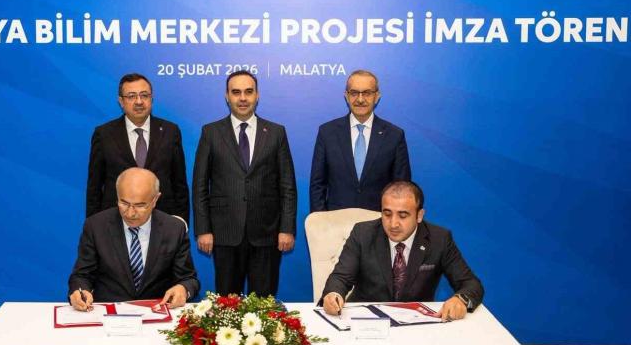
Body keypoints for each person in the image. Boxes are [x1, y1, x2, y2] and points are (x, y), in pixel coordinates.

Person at [192, 70, 297, 297]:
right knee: (228, 304)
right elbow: (200, 185)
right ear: (227, 96)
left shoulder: (276, 132)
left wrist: (287, 229)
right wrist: (203, 229)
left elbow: (287, 185)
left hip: (267, 234)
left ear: (257, 95)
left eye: (248, 92)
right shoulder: (211, 132)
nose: (242, 98)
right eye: (236, 92)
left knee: (264, 304)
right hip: (225, 233)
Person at [321, 180, 483, 321]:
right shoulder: (363, 233)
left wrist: (460, 299)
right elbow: (340, 277)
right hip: (366, 321)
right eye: (387, 214)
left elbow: (471, 284)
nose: (393, 224)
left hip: (416, 324)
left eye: (403, 215)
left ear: (419, 215)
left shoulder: (439, 239)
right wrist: (333, 294)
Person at [69, 168, 199, 310]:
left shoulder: (174, 229)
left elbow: (188, 279)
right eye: (124, 203)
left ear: (155, 199)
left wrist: (183, 289)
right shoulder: (96, 226)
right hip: (109, 312)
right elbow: (82, 275)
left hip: (156, 311)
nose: (130, 213)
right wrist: (79, 291)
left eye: (140, 205)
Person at [86, 73, 189, 223]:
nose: (139, 101)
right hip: (115, 222)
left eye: (144, 95)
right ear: (121, 101)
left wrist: (181, 223)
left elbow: (180, 185)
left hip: (163, 221)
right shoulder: (104, 134)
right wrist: (93, 227)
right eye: (131, 96)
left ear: (152, 98)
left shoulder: (170, 131)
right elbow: (94, 188)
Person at [309, 70, 411, 212]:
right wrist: (321, 220)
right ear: (346, 96)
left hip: (378, 220)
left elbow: (401, 188)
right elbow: (317, 185)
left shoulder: (394, 135)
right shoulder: (327, 132)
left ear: (377, 96)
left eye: (367, 93)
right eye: (354, 93)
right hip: (336, 221)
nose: (360, 99)